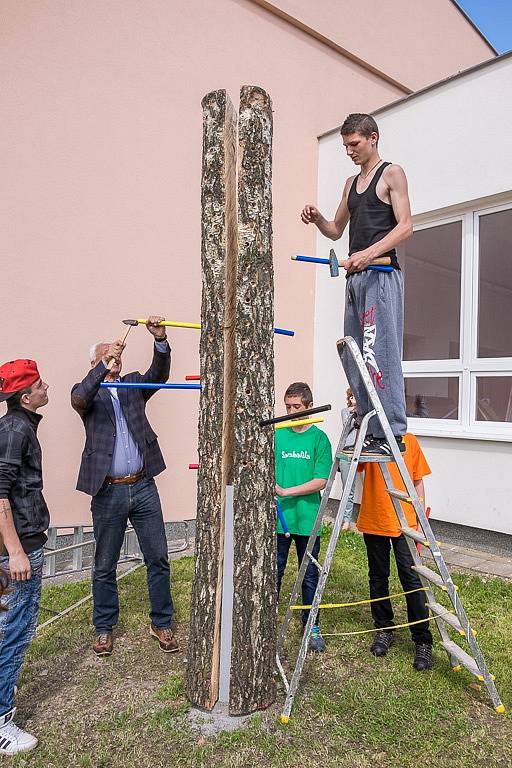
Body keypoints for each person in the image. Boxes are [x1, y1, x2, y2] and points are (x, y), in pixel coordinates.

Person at [301, 113, 413, 457]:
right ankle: (368, 424)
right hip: (355, 278)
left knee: (378, 352)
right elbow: (336, 229)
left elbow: (406, 226)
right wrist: (319, 218)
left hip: (381, 274)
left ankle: (391, 433)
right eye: (346, 145)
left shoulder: (391, 173)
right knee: (352, 352)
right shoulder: (350, 184)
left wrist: (369, 253)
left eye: (355, 144)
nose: (349, 150)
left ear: (373, 138)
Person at [71, 316, 178, 657]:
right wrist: (103, 366)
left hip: (144, 485)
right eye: (106, 358)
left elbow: (158, 375)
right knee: (105, 563)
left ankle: (161, 622)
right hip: (108, 490)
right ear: (95, 363)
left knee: (158, 557)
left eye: (116, 357)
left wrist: (159, 340)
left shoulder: (133, 384)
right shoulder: (88, 391)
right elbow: (79, 397)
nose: (115, 362)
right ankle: (104, 628)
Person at [0, 359, 50, 754]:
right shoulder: (15, 429)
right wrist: (16, 551)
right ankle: (2, 722)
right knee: (16, 630)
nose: (45, 386)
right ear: (25, 395)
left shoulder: (19, 426)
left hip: (22, 542)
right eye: (38, 383)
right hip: (19, 548)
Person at [356, 432, 433, 671]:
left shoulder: (410, 440)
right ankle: (384, 630)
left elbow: (418, 479)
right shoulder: (369, 440)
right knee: (378, 577)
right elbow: (353, 467)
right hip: (374, 518)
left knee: (411, 579)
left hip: (405, 522)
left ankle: (422, 640)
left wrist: (419, 516)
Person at [275, 382, 332, 653]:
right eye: (287, 407)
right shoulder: (279, 435)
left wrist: (287, 490)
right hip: (279, 519)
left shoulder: (319, 439)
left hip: (307, 518)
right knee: (273, 573)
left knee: (309, 575)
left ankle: (312, 627)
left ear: (309, 406)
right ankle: (265, 625)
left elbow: (321, 480)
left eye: (296, 407)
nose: (290, 412)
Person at [340, 387, 358, 531]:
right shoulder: (346, 412)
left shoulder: (367, 414)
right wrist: (354, 414)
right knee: (348, 488)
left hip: (365, 453)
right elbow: (347, 427)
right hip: (348, 453)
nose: (354, 400)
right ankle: (346, 519)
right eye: (352, 397)